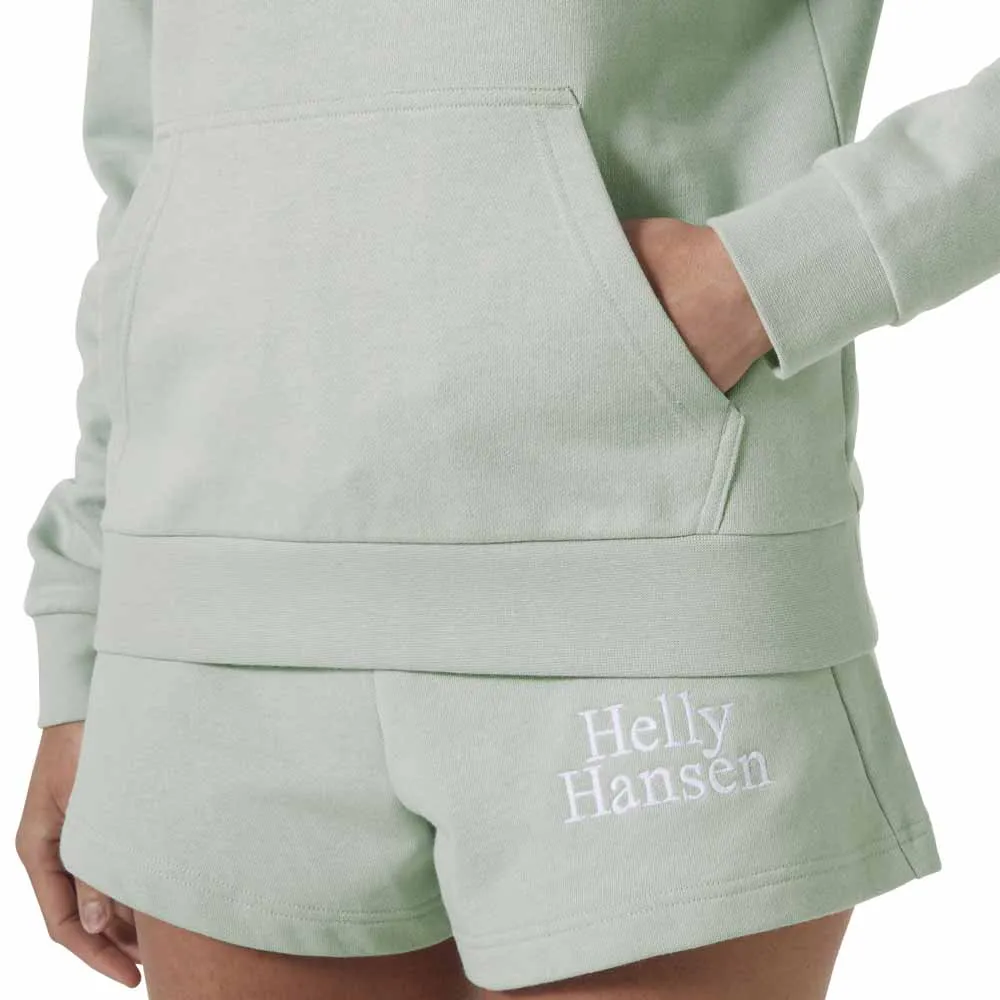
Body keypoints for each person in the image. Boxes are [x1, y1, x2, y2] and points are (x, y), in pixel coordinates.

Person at [13, 2, 998, 997]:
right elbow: (141, 172)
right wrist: (83, 647)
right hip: (202, 631)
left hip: (632, 586)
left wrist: (782, 269)